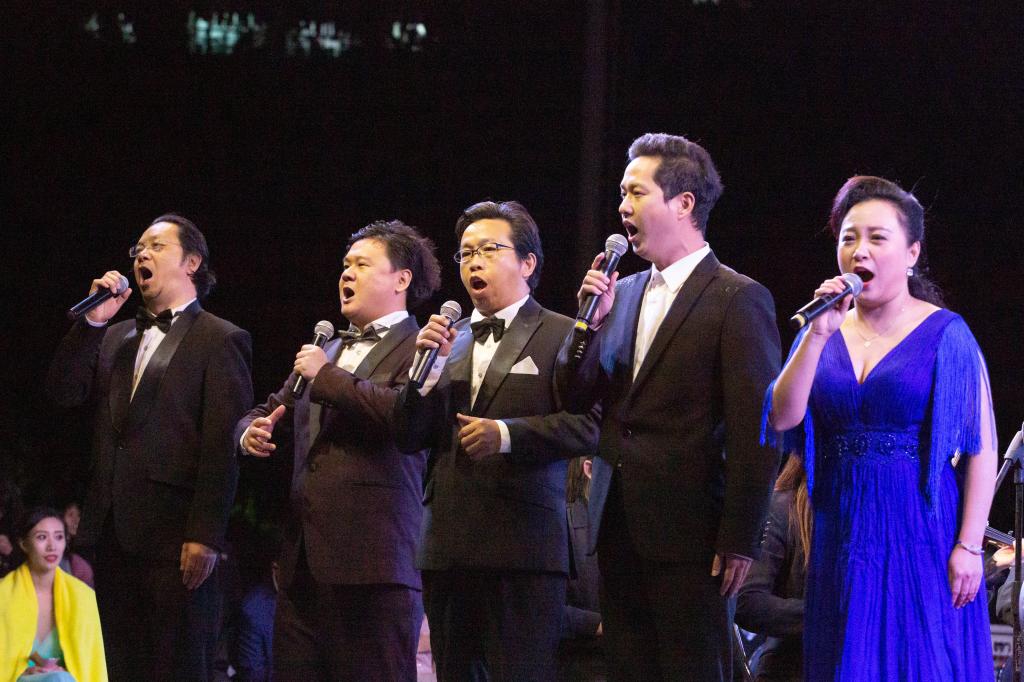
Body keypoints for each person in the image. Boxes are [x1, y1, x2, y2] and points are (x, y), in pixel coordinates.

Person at [556, 133, 782, 680]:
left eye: (636, 193)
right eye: (621, 193)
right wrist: (588, 326)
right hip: (617, 524)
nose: (622, 206)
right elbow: (573, 397)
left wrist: (740, 537)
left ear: (683, 203)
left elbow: (757, 428)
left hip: (693, 533)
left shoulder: (737, 296)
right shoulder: (622, 292)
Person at [764, 175, 996, 679]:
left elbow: (981, 447)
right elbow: (782, 417)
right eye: (848, 238)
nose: (859, 250)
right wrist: (816, 336)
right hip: (841, 528)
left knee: (917, 658)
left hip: (920, 528)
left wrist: (969, 545)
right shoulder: (822, 329)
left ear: (912, 253)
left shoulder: (946, 333)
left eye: (876, 238)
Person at [394, 200, 600, 681]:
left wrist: (507, 435)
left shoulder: (562, 333)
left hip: (524, 549)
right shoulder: (448, 339)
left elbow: (588, 426)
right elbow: (407, 436)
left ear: (527, 263)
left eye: (489, 249)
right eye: (466, 253)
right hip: (446, 547)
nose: (474, 262)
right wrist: (423, 379)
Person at [46, 213, 254, 681]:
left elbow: (222, 444)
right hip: (112, 531)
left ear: (192, 262)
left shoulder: (220, 338)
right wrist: (92, 323)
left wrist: (205, 533)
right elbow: (62, 392)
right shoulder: (115, 336)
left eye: (157, 246)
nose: (142, 253)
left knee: (176, 665)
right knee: (121, 665)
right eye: (138, 247)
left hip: (175, 536)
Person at [236, 220, 441, 681]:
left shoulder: (422, 346)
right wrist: (249, 433)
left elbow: (403, 418)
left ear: (401, 279)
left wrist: (326, 375)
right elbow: (269, 409)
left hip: (376, 566)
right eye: (345, 265)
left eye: (362, 265)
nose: (346, 274)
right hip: (302, 565)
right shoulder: (325, 348)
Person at [0, 507, 107, 681]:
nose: (52, 546)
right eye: (42, 537)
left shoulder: (83, 597)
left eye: (59, 537)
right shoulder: (3, 595)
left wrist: (62, 671)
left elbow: (91, 665)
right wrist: (21, 672)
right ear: (23, 544)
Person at [735, 456, 809, 681]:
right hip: (793, 664)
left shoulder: (883, 516)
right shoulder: (782, 508)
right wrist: (823, 616)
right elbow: (748, 601)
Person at [559, 456, 605, 682]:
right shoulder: (562, 525)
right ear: (589, 469)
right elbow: (540, 609)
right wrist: (595, 624)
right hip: (581, 662)